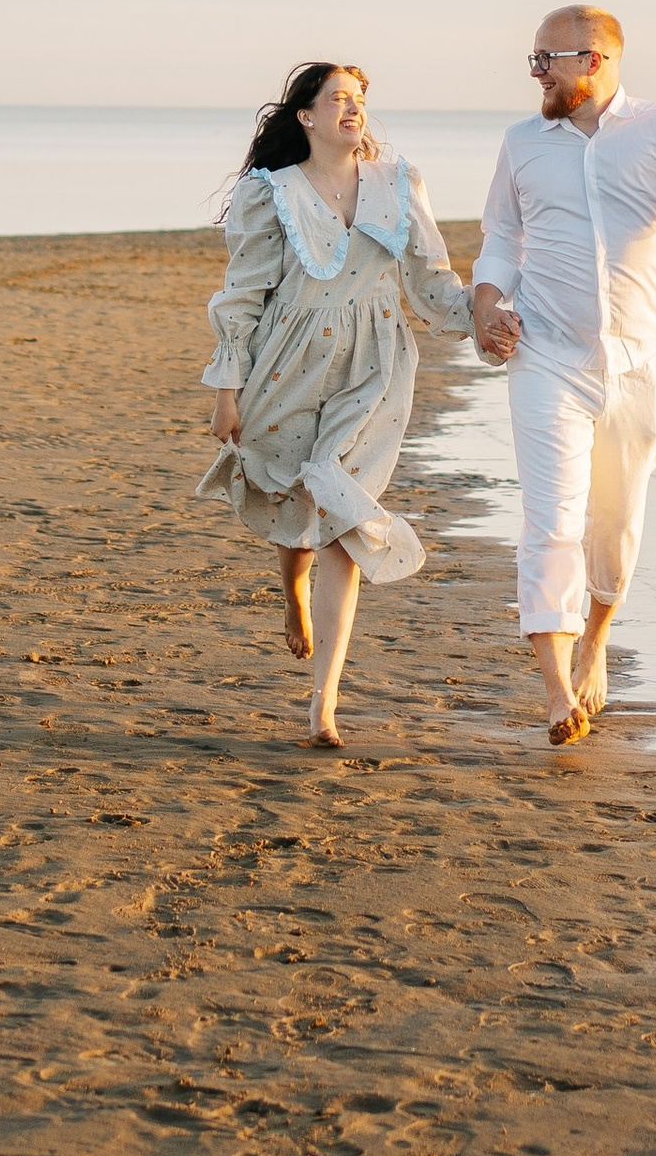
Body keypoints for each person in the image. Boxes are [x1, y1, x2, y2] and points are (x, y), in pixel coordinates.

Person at [470, 7, 656, 750]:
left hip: (637, 364)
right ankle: (557, 691)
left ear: (592, 60)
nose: (536, 72)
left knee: (616, 525)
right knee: (552, 522)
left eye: (547, 59)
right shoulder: (522, 142)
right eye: (533, 60)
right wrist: (487, 304)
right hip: (545, 355)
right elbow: (501, 235)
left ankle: (596, 637)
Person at [199, 61, 475, 750]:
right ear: (306, 116)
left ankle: (323, 705)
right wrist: (227, 391)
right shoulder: (272, 192)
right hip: (288, 359)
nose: (353, 109)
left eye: (359, 99)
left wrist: (488, 319)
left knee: (341, 514)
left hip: (373, 365)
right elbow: (243, 295)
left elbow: (432, 279)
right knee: (295, 495)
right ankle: (292, 589)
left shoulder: (397, 183)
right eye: (338, 99)